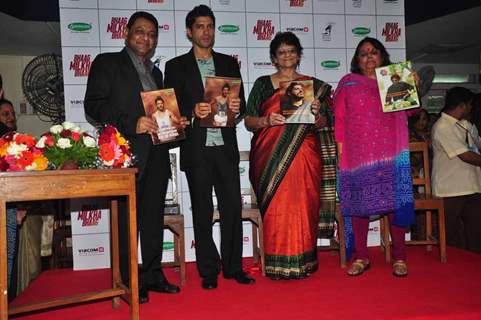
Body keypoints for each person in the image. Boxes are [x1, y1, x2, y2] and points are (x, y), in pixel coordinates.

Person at [84, 11, 188, 303]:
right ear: (126, 33)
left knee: (153, 219)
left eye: (152, 34)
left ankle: (153, 274)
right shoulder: (108, 63)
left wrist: (175, 125)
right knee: (126, 223)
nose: (147, 38)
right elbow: (94, 105)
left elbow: (160, 114)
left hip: (156, 155)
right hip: (124, 155)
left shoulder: (156, 73)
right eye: (141, 31)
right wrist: (133, 123)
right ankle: (128, 279)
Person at [164, 5, 254, 289]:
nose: (206, 31)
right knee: (202, 211)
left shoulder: (229, 62)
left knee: (231, 208)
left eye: (210, 26)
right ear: (190, 32)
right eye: (200, 26)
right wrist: (191, 111)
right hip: (196, 149)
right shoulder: (175, 66)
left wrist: (239, 108)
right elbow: (169, 112)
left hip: (224, 147)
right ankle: (208, 271)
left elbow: (242, 105)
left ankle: (234, 267)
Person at [244, 31, 331, 279]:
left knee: (303, 206)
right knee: (277, 209)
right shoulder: (262, 84)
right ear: (274, 57)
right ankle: (276, 264)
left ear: (299, 54)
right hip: (270, 156)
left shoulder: (312, 85)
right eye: (281, 52)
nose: (287, 56)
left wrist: (317, 112)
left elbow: (323, 124)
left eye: (291, 51)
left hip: (305, 154)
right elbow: (249, 121)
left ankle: (304, 263)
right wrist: (267, 120)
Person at [334, 37, 417, 277]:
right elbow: (339, 119)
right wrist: (341, 153)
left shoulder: (395, 80)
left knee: (394, 204)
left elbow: (411, 111)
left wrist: (413, 87)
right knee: (360, 204)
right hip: (357, 154)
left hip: (390, 153)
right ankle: (362, 257)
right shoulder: (348, 83)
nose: (369, 57)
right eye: (363, 53)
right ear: (357, 60)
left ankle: (400, 257)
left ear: (382, 56)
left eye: (374, 52)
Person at [431, 87, 481, 254]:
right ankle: (451, 272)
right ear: (462, 106)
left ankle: (473, 269)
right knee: (451, 236)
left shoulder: (465, 125)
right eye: (470, 105)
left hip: (472, 186)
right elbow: (466, 156)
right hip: (451, 189)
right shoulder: (442, 126)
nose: (472, 108)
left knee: (475, 234)